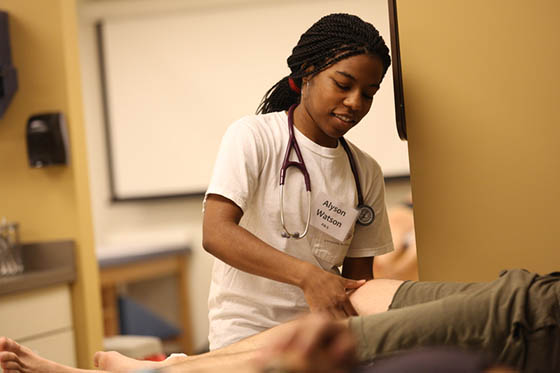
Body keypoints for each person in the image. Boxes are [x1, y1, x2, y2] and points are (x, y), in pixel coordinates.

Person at [203, 13, 395, 350]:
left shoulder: (365, 172)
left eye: (369, 93)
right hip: (246, 335)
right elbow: (216, 232)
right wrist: (307, 277)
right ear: (308, 71)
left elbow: (359, 281)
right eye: (343, 84)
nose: (355, 103)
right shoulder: (253, 137)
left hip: (318, 339)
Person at [2, 269, 557, 372]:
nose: (356, 102)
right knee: (364, 296)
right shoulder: (254, 138)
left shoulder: (359, 167)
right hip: (531, 290)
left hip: (533, 318)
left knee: (330, 337)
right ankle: (180, 364)